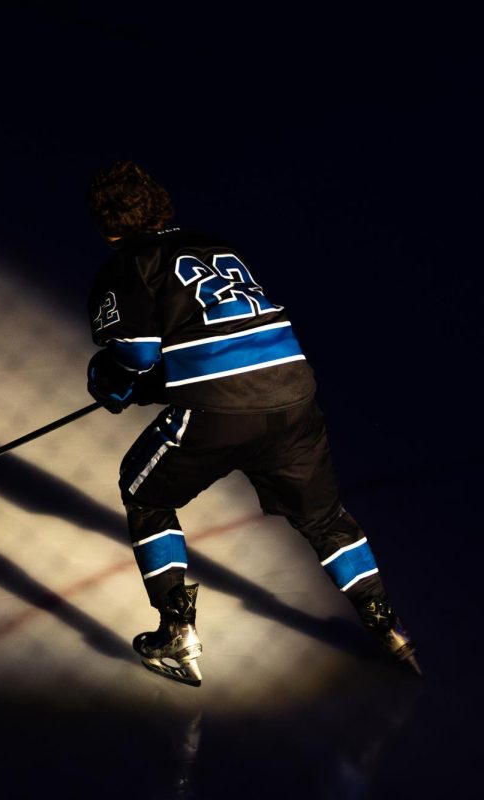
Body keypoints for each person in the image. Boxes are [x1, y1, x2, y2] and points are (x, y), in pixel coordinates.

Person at [84, 160, 420, 686]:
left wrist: (113, 383)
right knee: (326, 518)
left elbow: (136, 352)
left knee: (145, 493)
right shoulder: (214, 246)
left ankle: (177, 631)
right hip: (294, 394)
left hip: (221, 409)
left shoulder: (130, 263)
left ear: (107, 228)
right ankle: (387, 625)